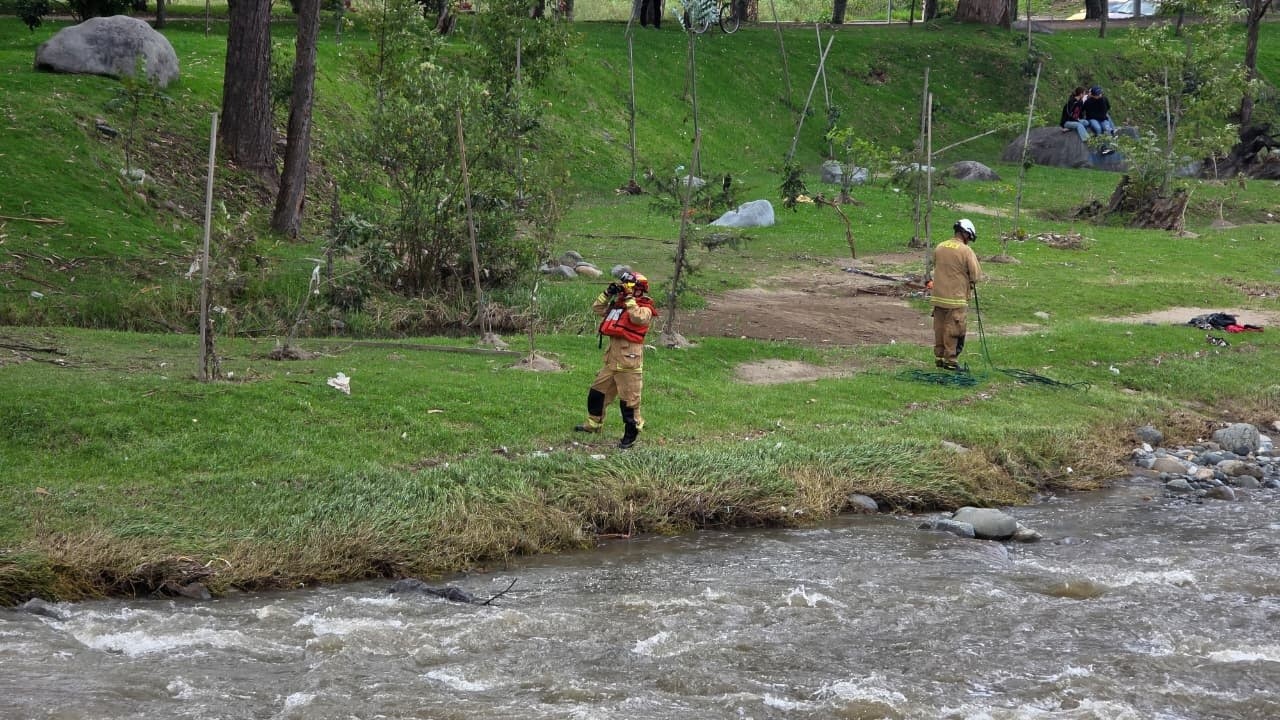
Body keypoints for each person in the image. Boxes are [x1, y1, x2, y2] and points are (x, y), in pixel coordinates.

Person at [574, 268, 658, 449]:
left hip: (629, 362)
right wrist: (607, 294)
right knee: (597, 393)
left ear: (638, 290)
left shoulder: (644, 308)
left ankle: (631, 434)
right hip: (612, 361)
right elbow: (597, 308)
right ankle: (593, 425)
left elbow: (637, 319)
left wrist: (629, 299)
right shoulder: (619, 305)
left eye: (628, 287)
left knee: (629, 401)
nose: (624, 290)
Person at [930, 219, 983, 371]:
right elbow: (976, 275)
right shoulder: (965, 251)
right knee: (954, 330)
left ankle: (939, 358)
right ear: (965, 233)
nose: (969, 241)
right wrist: (970, 282)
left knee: (939, 328)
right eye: (969, 238)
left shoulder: (940, 246)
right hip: (956, 298)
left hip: (938, 296)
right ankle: (951, 362)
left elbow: (936, 265)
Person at [1083, 86, 1116, 153]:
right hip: (1092, 118)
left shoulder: (1104, 99)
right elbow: (1087, 112)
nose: (1099, 95)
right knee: (1098, 128)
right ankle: (1102, 147)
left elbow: (1107, 108)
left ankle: (1110, 146)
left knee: (1106, 128)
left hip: (1102, 118)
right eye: (1097, 95)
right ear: (1093, 95)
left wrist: (1101, 101)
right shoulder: (1088, 102)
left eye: (1100, 94)